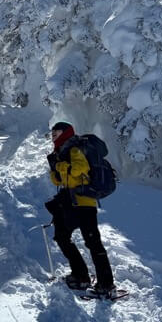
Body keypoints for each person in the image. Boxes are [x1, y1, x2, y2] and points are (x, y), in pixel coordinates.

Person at [44, 121, 115, 295]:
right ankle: (81, 276)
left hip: (84, 202)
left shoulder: (75, 148)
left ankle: (106, 284)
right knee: (62, 236)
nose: (53, 135)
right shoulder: (60, 152)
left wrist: (59, 166)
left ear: (66, 132)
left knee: (92, 242)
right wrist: (55, 169)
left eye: (57, 132)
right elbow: (58, 181)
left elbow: (78, 169)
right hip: (71, 202)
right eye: (52, 133)